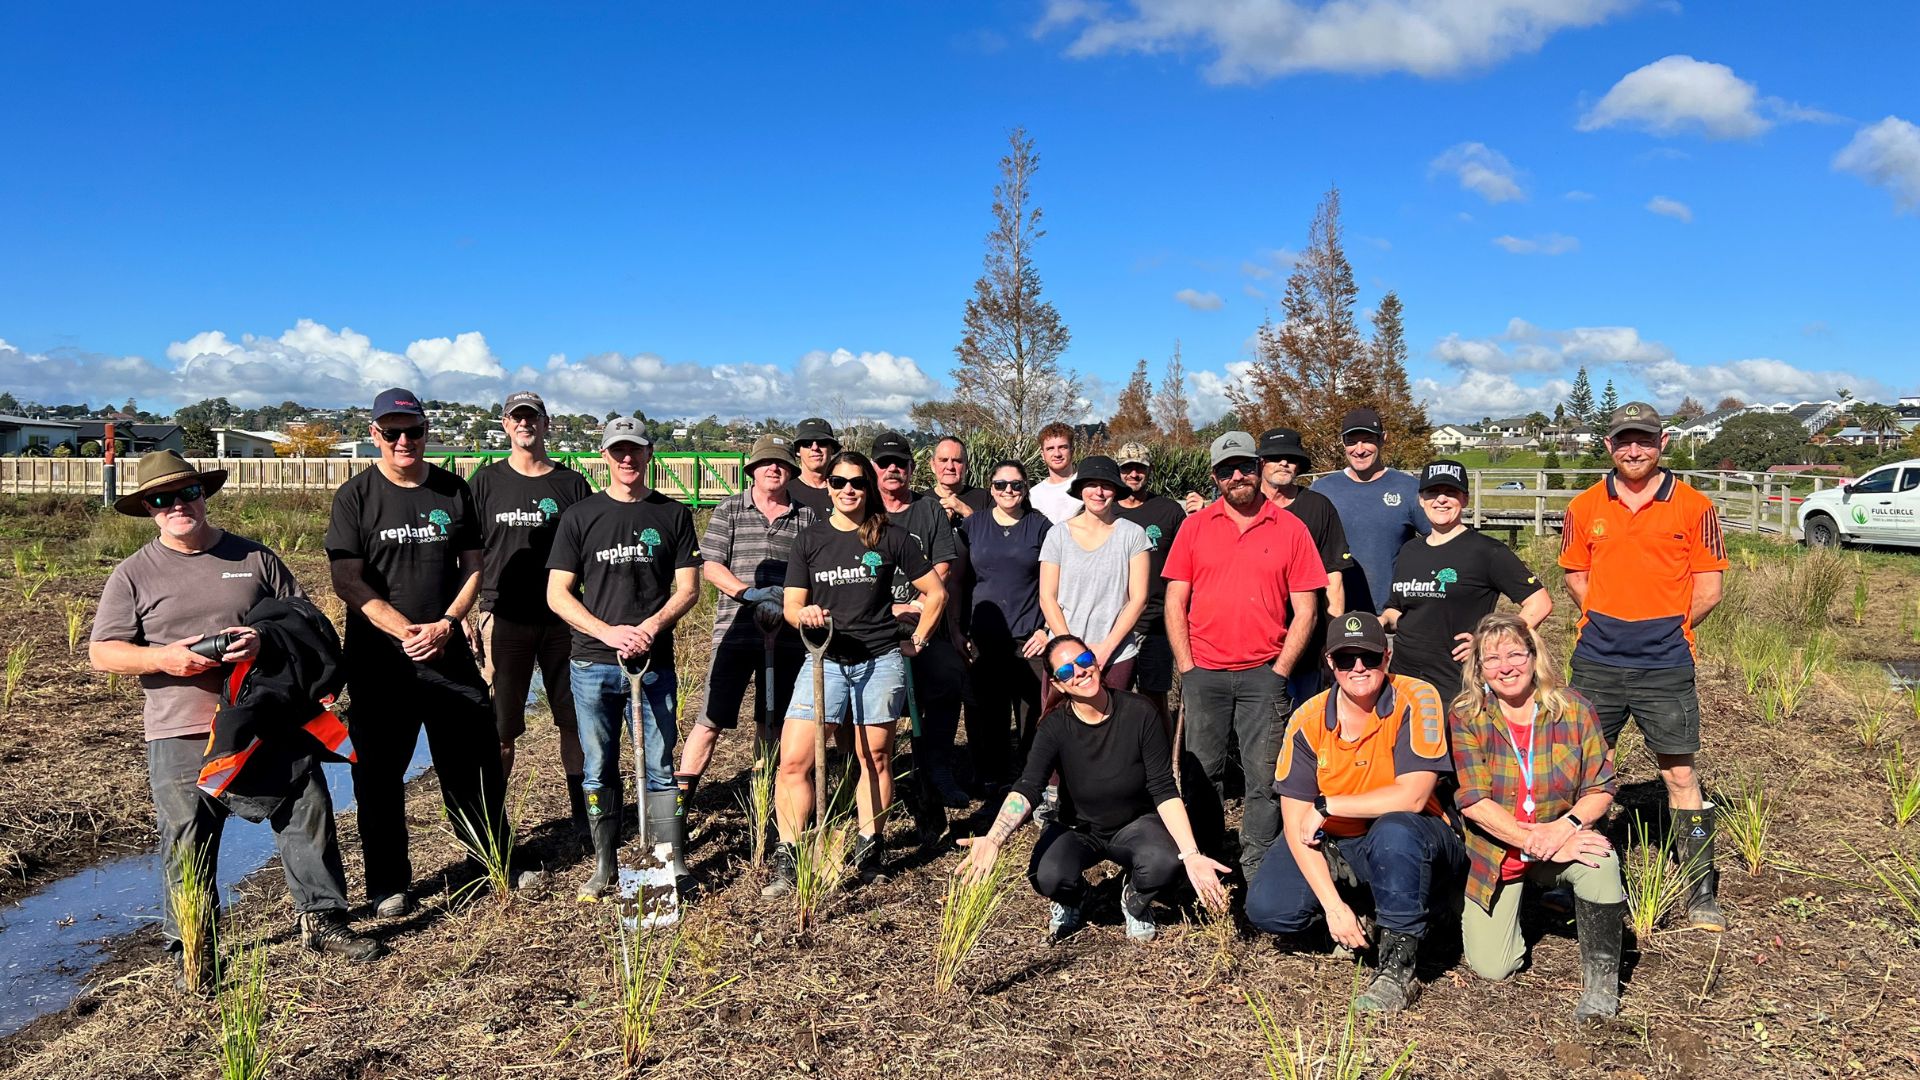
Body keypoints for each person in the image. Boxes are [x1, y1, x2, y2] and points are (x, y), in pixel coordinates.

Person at [92, 451, 381, 985]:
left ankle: (324, 918)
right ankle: (194, 945)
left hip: (266, 716)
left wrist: (263, 638)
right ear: (149, 510)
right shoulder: (132, 574)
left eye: (187, 494)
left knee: (305, 808)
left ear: (204, 496)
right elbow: (103, 652)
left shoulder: (254, 557)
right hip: (180, 726)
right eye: (162, 499)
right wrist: (165, 658)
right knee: (187, 834)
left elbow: (306, 622)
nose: (178, 505)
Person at [327, 388, 506, 918]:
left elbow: (473, 566)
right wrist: (407, 631)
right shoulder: (356, 496)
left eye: (414, 431)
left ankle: (490, 859)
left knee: (471, 763)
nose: (404, 441)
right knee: (379, 776)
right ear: (375, 434)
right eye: (393, 432)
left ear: (427, 433)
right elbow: (347, 582)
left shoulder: (453, 490)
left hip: (448, 652)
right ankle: (388, 885)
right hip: (380, 662)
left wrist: (449, 623)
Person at [1560, 401, 1729, 930]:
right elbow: (1575, 575)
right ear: (1609, 446)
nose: (1635, 450)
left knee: (1679, 774)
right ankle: (1581, 875)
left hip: (1666, 662)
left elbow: (1709, 587)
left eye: (1646, 440)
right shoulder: (1585, 506)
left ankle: (1700, 886)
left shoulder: (1694, 506)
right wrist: (1607, 617)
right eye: (1625, 440)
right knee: (1586, 770)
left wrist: (1667, 626)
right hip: (1597, 660)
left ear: (1663, 444)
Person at [1247, 611, 1466, 1013]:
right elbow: (1298, 826)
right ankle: (1359, 918)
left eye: (1368, 657)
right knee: (1269, 909)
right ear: (1330, 663)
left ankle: (1399, 965)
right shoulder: (1307, 719)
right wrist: (1333, 906)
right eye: (1346, 659)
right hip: (1338, 841)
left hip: (1416, 833)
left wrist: (1331, 804)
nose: (1358, 668)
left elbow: (1415, 797)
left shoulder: (1418, 697)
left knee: (1394, 832)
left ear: (1387, 657)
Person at [957, 635, 1231, 943]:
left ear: (1095, 661)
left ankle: (1135, 900)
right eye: (1065, 672)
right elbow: (1029, 786)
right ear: (1059, 685)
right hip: (1079, 827)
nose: (1080, 672)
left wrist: (1191, 854)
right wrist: (994, 838)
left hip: (1135, 824)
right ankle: (1077, 898)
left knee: (1166, 862)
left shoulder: (1140, 712)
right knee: (1046, 875)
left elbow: (1163, 788)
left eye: (1084, 661)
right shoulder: (1053, 727)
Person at [767, 451, 946, 894]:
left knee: (876, 758)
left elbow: (936, 593)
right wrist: (803, 614)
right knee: (793, 761)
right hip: (823, 660)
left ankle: (871, 848)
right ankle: (789, 855)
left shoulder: (893, 537)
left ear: (869, 488)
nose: (849, 489)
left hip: (880, 660)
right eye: (839, 481)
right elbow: (791, 605)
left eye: (858, 482)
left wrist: (918, 639)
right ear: (827, 486)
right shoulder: (810, 540)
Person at [545, 416, 701, 901]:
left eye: (634, 449)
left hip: (654, 664)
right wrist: (608, 632)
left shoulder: (672, 515)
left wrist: (650, 628)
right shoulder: (580, 517)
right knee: (599, 767)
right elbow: (557, 594)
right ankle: (605, 864)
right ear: (604, 457)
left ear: (649, 453)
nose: (626, 458)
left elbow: (689, 588)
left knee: (657, 764)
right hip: (593, 663)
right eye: (617, 451)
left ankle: (665, 864)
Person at [1164, 432, 1326, 879]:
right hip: (1205, 674)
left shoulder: (1290, 528)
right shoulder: (1194, 527)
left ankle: (1256, 869)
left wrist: (1280, 671)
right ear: (1215, 477)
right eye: (1226, 470)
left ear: (1258, 468)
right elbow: (1176, 600)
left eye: (1245, 467)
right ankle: (1208, 865)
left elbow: (1307, 610)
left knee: (1266, 780)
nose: (1237, 476)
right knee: (1201, 776)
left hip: (1263, 674)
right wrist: (1187, 668)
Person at [1450, 612, 1625, 1021]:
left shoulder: (1574, 708)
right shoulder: (1466, 716)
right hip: (1499, 854)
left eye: (1515, 654)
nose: (1506, 667)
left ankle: (1602, 987)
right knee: (1494, 967)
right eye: (1491, 659)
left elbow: (1601, 787)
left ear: (1535, 657)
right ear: (1478, 669)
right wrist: (1532, 840)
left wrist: (1565, 827)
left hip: (1563, 841)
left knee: (1600, 860)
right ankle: (1519, 898)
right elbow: (1474, 801)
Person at [467, 390, 593, 842]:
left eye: (532, 418)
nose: (525, 425)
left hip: (563, 620)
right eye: (516, 418)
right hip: (503, 618)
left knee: (573, 720)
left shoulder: (571, 485)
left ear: (546, 424)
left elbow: (589, 552)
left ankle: (584, 814)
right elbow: (466, 554)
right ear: (505, 424)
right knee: (501, 727)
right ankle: (494, 825)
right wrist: (468, 614)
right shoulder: (485, 483)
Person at [677, 433, 817, 837]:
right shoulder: (729, 510)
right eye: (765, 463)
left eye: (781, 464)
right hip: (736, 633)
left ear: (790, 471)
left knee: (772, 723)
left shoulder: (807, 517)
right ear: (752, 469)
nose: (773, 469)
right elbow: (712, 566)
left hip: (789, 636)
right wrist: (748, 592)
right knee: (711, 719)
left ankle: (769, 804)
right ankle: (680, 807)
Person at [1383, 460, 1552, 699]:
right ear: (1421, 499)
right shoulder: (1410, 550)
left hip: (1455, 683)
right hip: (1402, 679)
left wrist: (1493, 642)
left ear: (1465, 499)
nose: (1441, 499)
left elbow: (1540, 603)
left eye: (1450, 492)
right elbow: (1396, 610)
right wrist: (1380, 621)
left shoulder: (1487, 551)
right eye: (1432, 492)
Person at [872, 431, 968, 810]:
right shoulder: (863, 511)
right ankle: (878, 774)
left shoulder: (927, 510)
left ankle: (937, 768)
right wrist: (885, 607)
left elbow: (943, 561)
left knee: (946, 679)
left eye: (900, 463)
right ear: (874, 469)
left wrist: (922, 599)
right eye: (885, 463)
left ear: (912, 469)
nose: (893, 469)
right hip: (875, 623)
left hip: (925, 617)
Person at [961, 460, 1052, 790]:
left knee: (1034, 713)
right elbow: (960, 580)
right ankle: (992, 778)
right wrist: (959, 630)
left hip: (1029, 635)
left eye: (1015, 485)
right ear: (990, 487)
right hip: (985, 636)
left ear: (1025, 488)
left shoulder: (1040, 526)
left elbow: (1055, 581)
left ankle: (1031, 780)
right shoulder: (974, 525)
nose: (1008, 491)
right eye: (1001, 485)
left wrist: (1046, 630)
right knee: (990, 713)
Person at [1039, 455, 1150, 708]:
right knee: (1061, 725)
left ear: (1116, 490)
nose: (1098, 492)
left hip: (1115, 655)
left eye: (1106, 485)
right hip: (1064, 659)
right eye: (1091, 484)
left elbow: (1139, 598)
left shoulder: (1133, 535)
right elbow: (1047, 597)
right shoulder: (1058, 535)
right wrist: (1074, 653)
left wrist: (1105, 648)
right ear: (1080, 490)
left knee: (1110, 728)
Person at [1258, 427, 1354, 702]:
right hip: (1257, 641)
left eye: (1291, 457)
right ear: (1261, 462)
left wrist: (1333, 639)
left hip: (1308, 640)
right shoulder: (1246, 507)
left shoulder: (1318, 507)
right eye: (1275, 457)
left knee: (1304, 718)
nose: (1284, 463)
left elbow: (1333, 578)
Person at [1311, 407, 1430, 615]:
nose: (1359, 449)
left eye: (1367, 440)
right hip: (1334, 615)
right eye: (1351, 441)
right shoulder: (1322, 490)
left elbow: (1441, 544)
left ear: (1383, 439)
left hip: (1391, 616)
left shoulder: (1409, 488)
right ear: (1342, 442)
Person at [1113, 442, 1186, 724]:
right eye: (1127, 468)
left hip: (1155, 622)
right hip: (1114, 623)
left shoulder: (1168, 511)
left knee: (1154, 698)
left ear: (1150, 470)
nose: (1134, 474)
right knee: (1113, 695)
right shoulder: (1104, 510)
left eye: (1140, 468)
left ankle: (1163, 763)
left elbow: (1184, 562)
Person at [1029, 421, 1083, 524]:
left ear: (1072, 450)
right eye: (1050, 449)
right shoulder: (1034, 495)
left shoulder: (1087, 486)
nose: (1057, 454)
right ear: (1042, 454)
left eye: (1063, 447)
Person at [784, 417, 840, 515]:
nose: (815, 448)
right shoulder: (784, 491)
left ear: (832, 449)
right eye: (807, 443)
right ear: (797, 451)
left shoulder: (844, 489)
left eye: (822, 442)